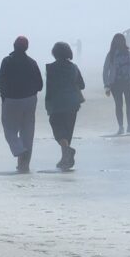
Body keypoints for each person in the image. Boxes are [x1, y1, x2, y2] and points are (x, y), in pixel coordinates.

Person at [0, 36, 43, 172]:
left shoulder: (7, 61)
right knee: (28, 132)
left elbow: (1, 81)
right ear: (26, 47)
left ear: (14, 46)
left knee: (9, 130)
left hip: (11, 100)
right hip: (30, 99)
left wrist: (4, 96)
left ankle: (19, 151)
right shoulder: (32, 62)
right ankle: (24, 164)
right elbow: (40, 85)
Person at [45, 42, 85, 170]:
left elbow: (49, 88)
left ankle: (66, 154)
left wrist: (48, 104)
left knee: (58, 130)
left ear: (54, 53)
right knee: (67, 131)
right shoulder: (74, 67)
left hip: (57, 103)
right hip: (72, 104)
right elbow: (82, 85)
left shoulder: (51, 68)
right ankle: (65, 159)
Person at [103, 32, 130, 134]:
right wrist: (106, 85)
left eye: (121, 40)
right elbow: (105, 70)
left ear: (124, 41)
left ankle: (129, 126)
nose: (119, 42)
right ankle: (121, 127)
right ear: (114, 42)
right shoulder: (111, 54)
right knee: (118, 105)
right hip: (115, 84)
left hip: (128, 82)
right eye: (117, 41)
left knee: (129, 104)